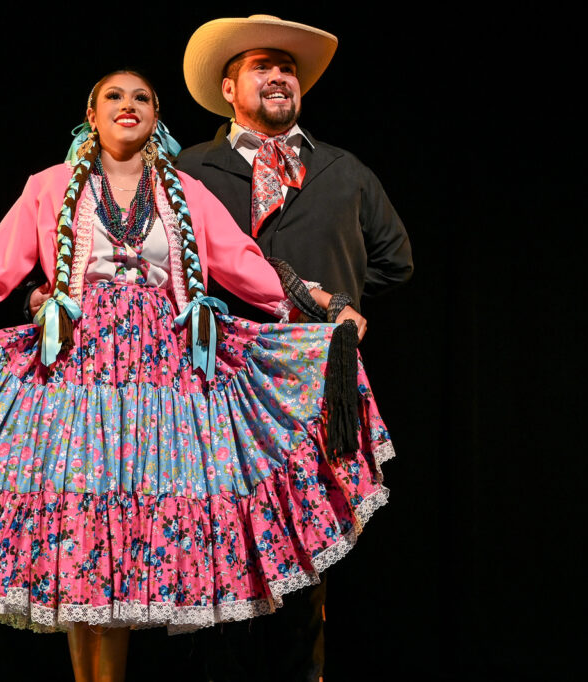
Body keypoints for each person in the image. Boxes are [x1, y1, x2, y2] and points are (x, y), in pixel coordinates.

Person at [0, 71, 394, 682]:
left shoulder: (186, 191)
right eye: (115, 96)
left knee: (128, 550)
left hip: (167, 386)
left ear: (156, 115)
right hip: (78, 383)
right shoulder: (50, 187)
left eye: (141, 98)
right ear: (91, 112)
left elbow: (249, 267)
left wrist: (324, 306)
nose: (128, 106)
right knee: (83, 546)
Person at [174, 16, 413, 680]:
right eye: (262, 65)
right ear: (228, 87)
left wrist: (327, 294)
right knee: (212, 549)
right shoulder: (190, 169)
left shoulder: (343, 170)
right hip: (212, 382)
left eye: (289, 68)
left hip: (310, 381)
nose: (280, 76)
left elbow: (395, 263)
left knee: (307, 552)